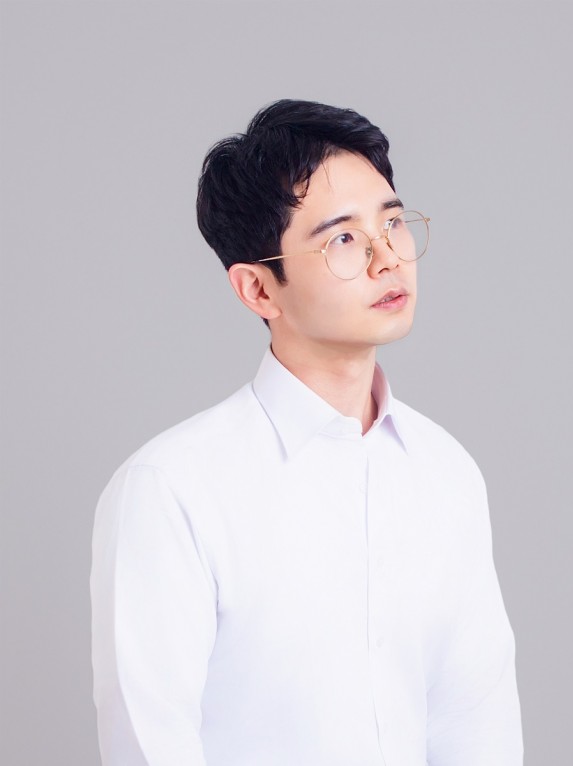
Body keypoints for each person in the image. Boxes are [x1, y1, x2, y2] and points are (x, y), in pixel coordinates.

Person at [90, 99, 524, 766]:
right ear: (259, 290)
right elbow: (151, 742)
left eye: (393, 222)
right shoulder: (172, 488)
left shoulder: (446, 471)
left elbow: (476, 724)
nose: (388, 258)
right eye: (343, 239)